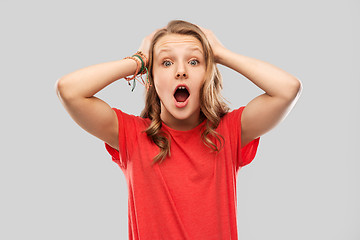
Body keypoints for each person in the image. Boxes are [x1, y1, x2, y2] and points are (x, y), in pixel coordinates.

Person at [55, 20, 302, 240]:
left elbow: (287, 89)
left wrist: (220, 54)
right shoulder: (133, 136)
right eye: (166, 62)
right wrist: (139, 59)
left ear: (207, 76)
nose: (181, 70)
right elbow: (69, 90)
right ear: (150, 78)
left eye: (194, 61)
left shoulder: (228, 132)